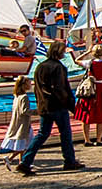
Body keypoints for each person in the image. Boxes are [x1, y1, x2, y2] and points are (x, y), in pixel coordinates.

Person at [17, 41, 82, 176]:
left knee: (42, 134)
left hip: (44, 105)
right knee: (65, 134)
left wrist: (40, 103)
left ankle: (25, 162)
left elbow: (38, 88)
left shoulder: (40, 67)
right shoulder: (59, 68)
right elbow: (61, 89)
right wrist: (71, 106)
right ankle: (69, 161)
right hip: (58, 106)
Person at [75, 45, 102, 146]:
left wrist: (87, 52)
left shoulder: (89, 63)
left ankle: (87, 139)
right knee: (100, 114)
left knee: (87, 114)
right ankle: (99, 139)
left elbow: (77, 60)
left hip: (90, 88)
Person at [0, 76, 34, 168]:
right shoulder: (24, 97)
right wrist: (37, 111)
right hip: (24, 125)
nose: (30, 85)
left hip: (18, 124)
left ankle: (20, 161)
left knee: (23, 145)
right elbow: (25, 111)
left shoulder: (17, 97)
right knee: (27, 145)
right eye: (29, 83)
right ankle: (11, 158)